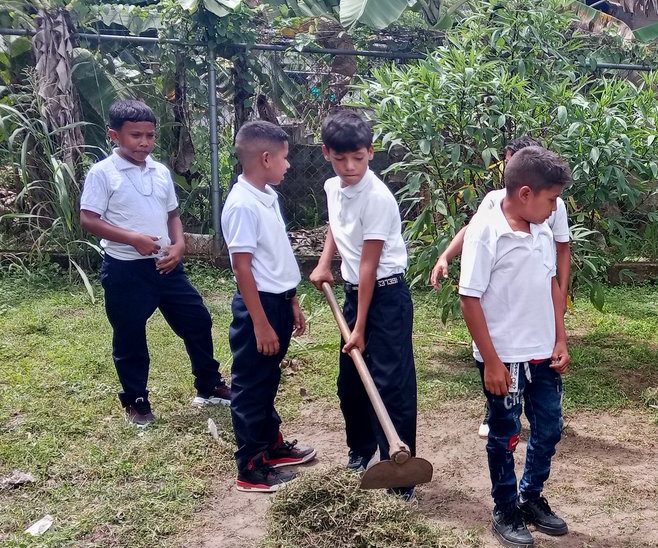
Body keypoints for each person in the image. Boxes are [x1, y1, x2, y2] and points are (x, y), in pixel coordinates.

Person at [80, 99, 230, 427]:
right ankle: (136, 400)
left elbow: (172, 215)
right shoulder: (103, 173)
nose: (144, 142)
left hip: (166, 265)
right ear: (114, 135)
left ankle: (209, 385)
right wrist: (132, 238)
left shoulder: (160, 172)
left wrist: (178, 246)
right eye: (136, 135)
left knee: (197, 319)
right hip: (126, 269)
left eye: (150, 135)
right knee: (130, 334)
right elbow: (89, 219)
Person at [459, 146, 572, 548]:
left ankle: (530, 496)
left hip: (544, 353)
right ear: (525, 193)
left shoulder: (541, 229)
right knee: (505, 434)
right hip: (504, 357)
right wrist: (491, 361)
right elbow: (469, 299)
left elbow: (551, 286)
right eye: (551, 199)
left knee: (550, 428)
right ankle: (505, 507)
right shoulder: (486, 232)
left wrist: (560, 337)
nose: (554, 208)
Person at [430, 135, 572, 439]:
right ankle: (496, 411)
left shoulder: (548, 213)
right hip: (503, 342)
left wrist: (559, 319)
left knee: (545, 425)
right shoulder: (494, 206)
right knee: (503, 418)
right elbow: (470, 233)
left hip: (538, 336)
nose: (507, 167)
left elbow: (560, 253)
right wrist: (446, 255)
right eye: (508, 162)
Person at [309, 110, 418, 499]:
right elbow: (336, 228)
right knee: (350, 382)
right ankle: (361, 450)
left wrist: (358, 328)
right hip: (356, 294)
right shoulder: (332, 187)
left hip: (386, 296)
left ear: (371, 152)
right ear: (326, 153)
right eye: (341, 159)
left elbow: (370, 265)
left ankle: (401, 476)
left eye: (358, 157)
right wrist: (325, 262)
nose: (350, 167)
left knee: (391, 384)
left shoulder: (378, 199)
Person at [221, 121, 315, 493]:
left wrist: (291, 299)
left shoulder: (267, 195)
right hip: (257, 309)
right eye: (284, 158)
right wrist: (260, 324)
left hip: (277, 302)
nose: (288, 165)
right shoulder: (242, 205)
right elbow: (241, 267)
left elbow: (276, 256)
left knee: (268, 379)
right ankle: (251, 466)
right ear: (265, 158)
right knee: (250, 386)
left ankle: (272, 446)